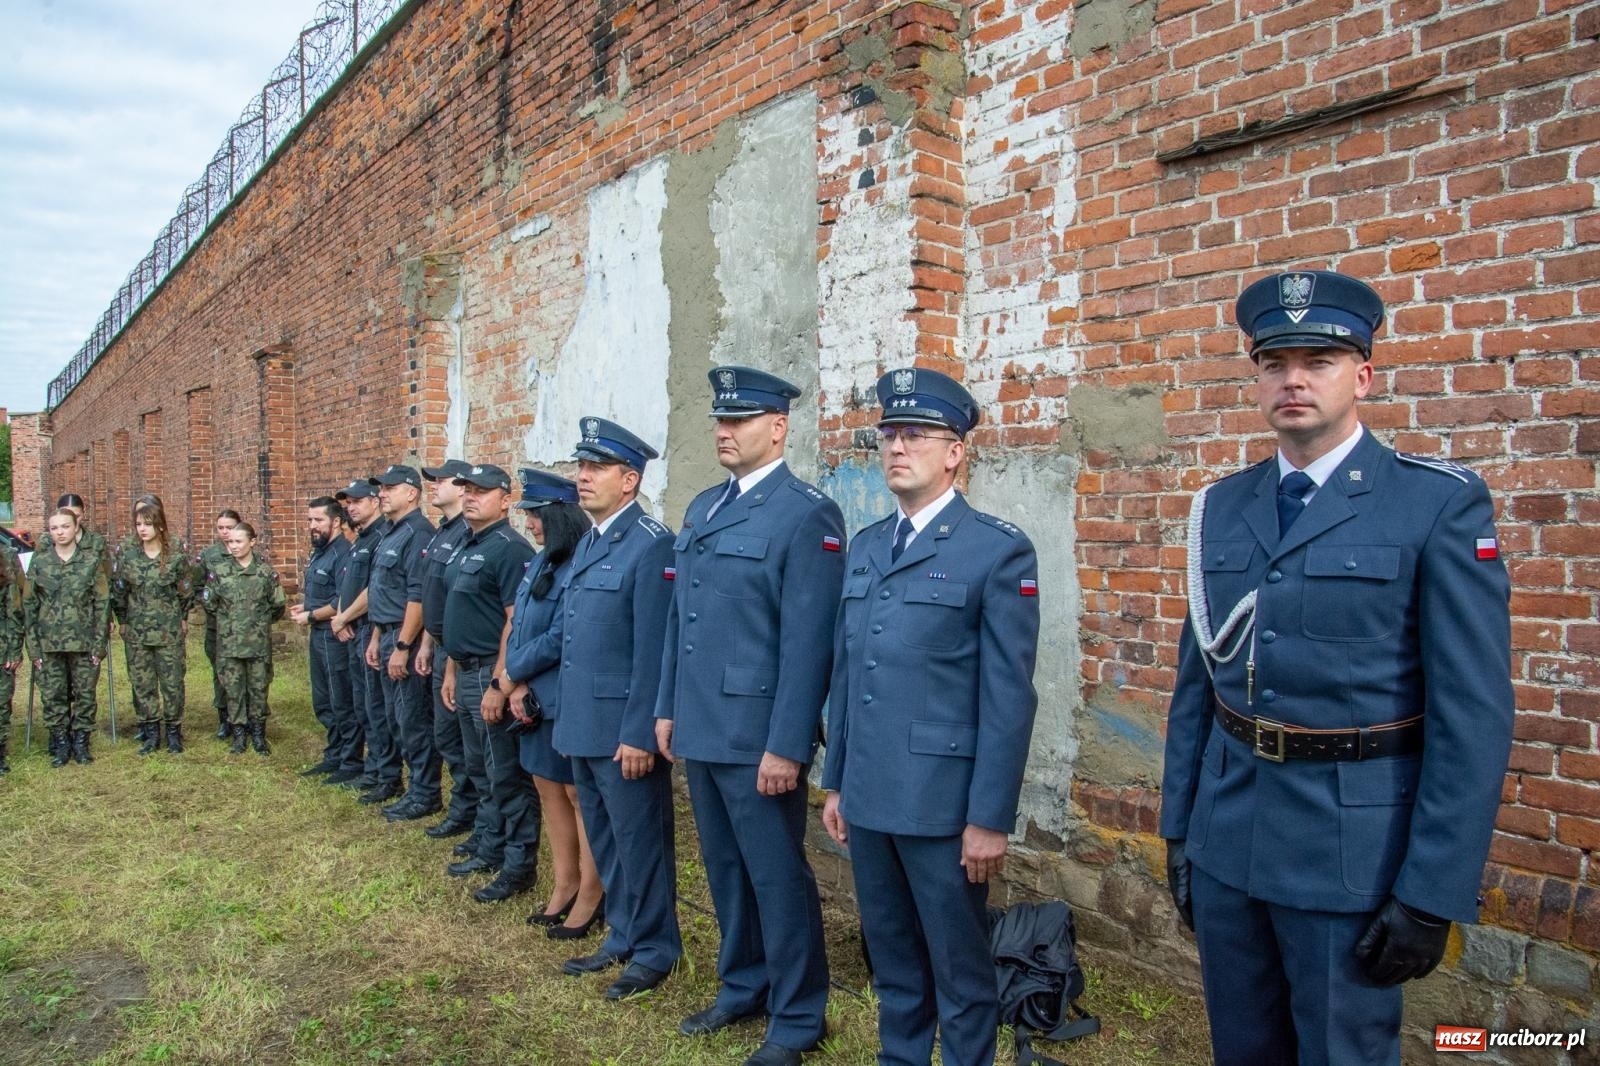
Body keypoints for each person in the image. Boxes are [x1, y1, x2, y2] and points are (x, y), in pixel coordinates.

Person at [1160, 270, 1515, 1066]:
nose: (1293, 379)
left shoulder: (1434, 505)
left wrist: (1432, 891)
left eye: (1318, 360)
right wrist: (1179, 833)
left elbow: (1473, 715)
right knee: (1242, 1050)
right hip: (1230, 839)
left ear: (1363, 375)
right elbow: (1198, 689)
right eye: (1274, 360)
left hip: (1352, 855)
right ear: (1255, 375)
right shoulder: (1221, 505)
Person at [820, 367, 1042, 1066]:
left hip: (944, 805)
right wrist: (839, 782)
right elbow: (850, 676)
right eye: (888, 433)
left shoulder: (997, 549)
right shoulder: (866, 546)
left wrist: (988, 818)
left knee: (959, 968)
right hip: (873, 794)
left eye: (915, 434)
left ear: (955, 452)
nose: (895, 447)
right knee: (892, 956)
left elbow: (1009, 697)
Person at [655, 367, 843, 1065]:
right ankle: (743, 983)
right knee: (725, 867)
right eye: (720, 420)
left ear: (778, 426)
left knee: (774, 873)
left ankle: (798, 1015)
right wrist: (668, 706)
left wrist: (789, 745)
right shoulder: (703, 507)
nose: (725, 432)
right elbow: (683, 621)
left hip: (759, 732)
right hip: (702, 723)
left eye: (740, 420)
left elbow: (808, 642)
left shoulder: (805, 513)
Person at [535, 417, 680, 1001]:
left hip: (623, 728)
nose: (581, 477)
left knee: (641, 844)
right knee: (608, 838)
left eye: (595, 469)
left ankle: (655, 950)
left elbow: (654, 649)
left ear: (630, 480)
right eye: (581, 467)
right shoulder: (593, 540)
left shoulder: (650, 542)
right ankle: (624, 932)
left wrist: (641, 731)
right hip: (584, 724)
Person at [504, 469, 606, 938]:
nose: (530, 523)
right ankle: (564, 884)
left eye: (537, 515)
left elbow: (560, 636)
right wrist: (514, 679)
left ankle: (591, 891)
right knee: (548, 788)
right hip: (533, 695)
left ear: (560, 515)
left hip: (564, 694)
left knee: (576, 795)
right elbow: (521, 623)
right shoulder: (541, 561)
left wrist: (514, 670)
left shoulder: (576, 564)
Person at [438, 464, 539, 901]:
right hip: (464, 667)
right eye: (468, 490)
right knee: (478, 765)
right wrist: (450, 668)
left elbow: (514, 622)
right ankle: (488, 841)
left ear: (505, 499)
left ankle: (517, 864)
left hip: (488, 672)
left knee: (504, 772)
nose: (471, 497)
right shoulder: (466, 542)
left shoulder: (510, 548)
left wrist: (499, 682)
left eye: (482, 491)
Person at [365, 465, 439, 816]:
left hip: (403, 637)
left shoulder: (418, 533)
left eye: (389, 488)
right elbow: (384, 591)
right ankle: (410, 786)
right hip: (387, 632)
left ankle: (424, 793)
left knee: (412, 719)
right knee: (394, 717)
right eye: (381, 488)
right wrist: (377, 635)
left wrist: (403, 646)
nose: (382, 493)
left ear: (412, 493)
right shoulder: (392, 532)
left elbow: (417, 596)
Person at [415, 459, 479, 841]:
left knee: (463, 738)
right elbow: (433, 599)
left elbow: (461, 607)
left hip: (460, 653)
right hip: (440, 648)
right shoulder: (443, 533)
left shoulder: (467, 535)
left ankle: (469, 811)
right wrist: (426, 643)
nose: (434, 486)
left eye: (442, 480)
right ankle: (463, 808)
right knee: (447, 735)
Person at [25, 508, 112, 766]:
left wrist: (99, 645)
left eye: (65, 526)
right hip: (49, 644)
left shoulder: (90, 561)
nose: (60, 532)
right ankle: (61, 743)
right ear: (49, 532)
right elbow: (29, 605)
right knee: (53, 695)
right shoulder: (40, 563)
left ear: (76, 528)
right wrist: (33, 648)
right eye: (54, 528)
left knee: (85, 694)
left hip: (84, 643)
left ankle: (81, 742)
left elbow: (102, 603)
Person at [112, 497, 195, 754]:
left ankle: (173, 732)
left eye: (148, 523)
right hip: (138, 632)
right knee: (142, 683)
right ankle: (150, 732)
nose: (142, 529)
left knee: (172, 684)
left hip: (168, 631)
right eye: (138, 524)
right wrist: (123, 620)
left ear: (160, 525)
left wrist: (182, 618)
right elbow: (119, 591)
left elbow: (186, 590)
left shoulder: (175, 556)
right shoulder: (128, 556)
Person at [289, 497, 357, 777]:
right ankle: (334, 753)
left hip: (334, 635)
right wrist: (306, 607)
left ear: (336, 521)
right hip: (319, 634)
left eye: (318, 520)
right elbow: (322, 591)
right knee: (323, 700)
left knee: (341, 700)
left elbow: (342, 599)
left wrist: (312, 615)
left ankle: (351, 762)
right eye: (309, 520)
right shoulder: (320, 550)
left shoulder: (344, 552)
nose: (312, 526)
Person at [209, 522, 286, 755]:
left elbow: (277, 606)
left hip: (257, 644)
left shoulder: (265, 573)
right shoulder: (220, 572)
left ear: (252, 542)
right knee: (233, 689)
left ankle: (259, 734)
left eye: (238, 541)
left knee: (258, 688)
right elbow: (210, 604)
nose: (233, 546)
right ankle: (239, 734)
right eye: (230, 542)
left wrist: (256, 625)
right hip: (229, 644)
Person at [330, 480, 386, 789]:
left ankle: (380, 772)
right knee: (362, 703)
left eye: (358, 501)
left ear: (375, 501)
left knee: (374, 706)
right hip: (353, 629)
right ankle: (372, 767)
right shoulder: (361, 538)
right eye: (348, 502)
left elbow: (373, 589)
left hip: (367, 628)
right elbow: (348, 583)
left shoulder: (380, 536)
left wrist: (343, 618)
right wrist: (341, 615)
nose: (351, 506)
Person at [196, 509, 243, 739]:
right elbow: (198, 587)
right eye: (221, 528)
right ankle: (224, 717)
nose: (225, 532)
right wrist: (212, 609)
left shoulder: (246, 552)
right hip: (218, 627)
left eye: (230, 527)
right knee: (220, 672)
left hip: (243, 629)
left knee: (244, 673)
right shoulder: (209, 555)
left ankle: (245, 717)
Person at [0, 542, 25, 775]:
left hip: (2, 645)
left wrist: (14, 649)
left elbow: (14, 611)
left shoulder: (6, 556)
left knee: (0, 702)